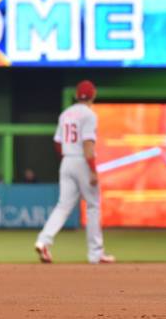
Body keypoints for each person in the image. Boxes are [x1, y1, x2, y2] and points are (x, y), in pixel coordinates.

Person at [35, 80, 115, 264]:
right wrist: (93, 170)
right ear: (93, 95)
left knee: (63, 206)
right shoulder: (89, 115)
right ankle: (96, 254)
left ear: (76, 95)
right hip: (82, 160)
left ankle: (43, 241)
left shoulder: (65, 114)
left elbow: (57, 141)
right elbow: (88, 144)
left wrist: (66, 158)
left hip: (67, 160)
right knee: (93, 205)